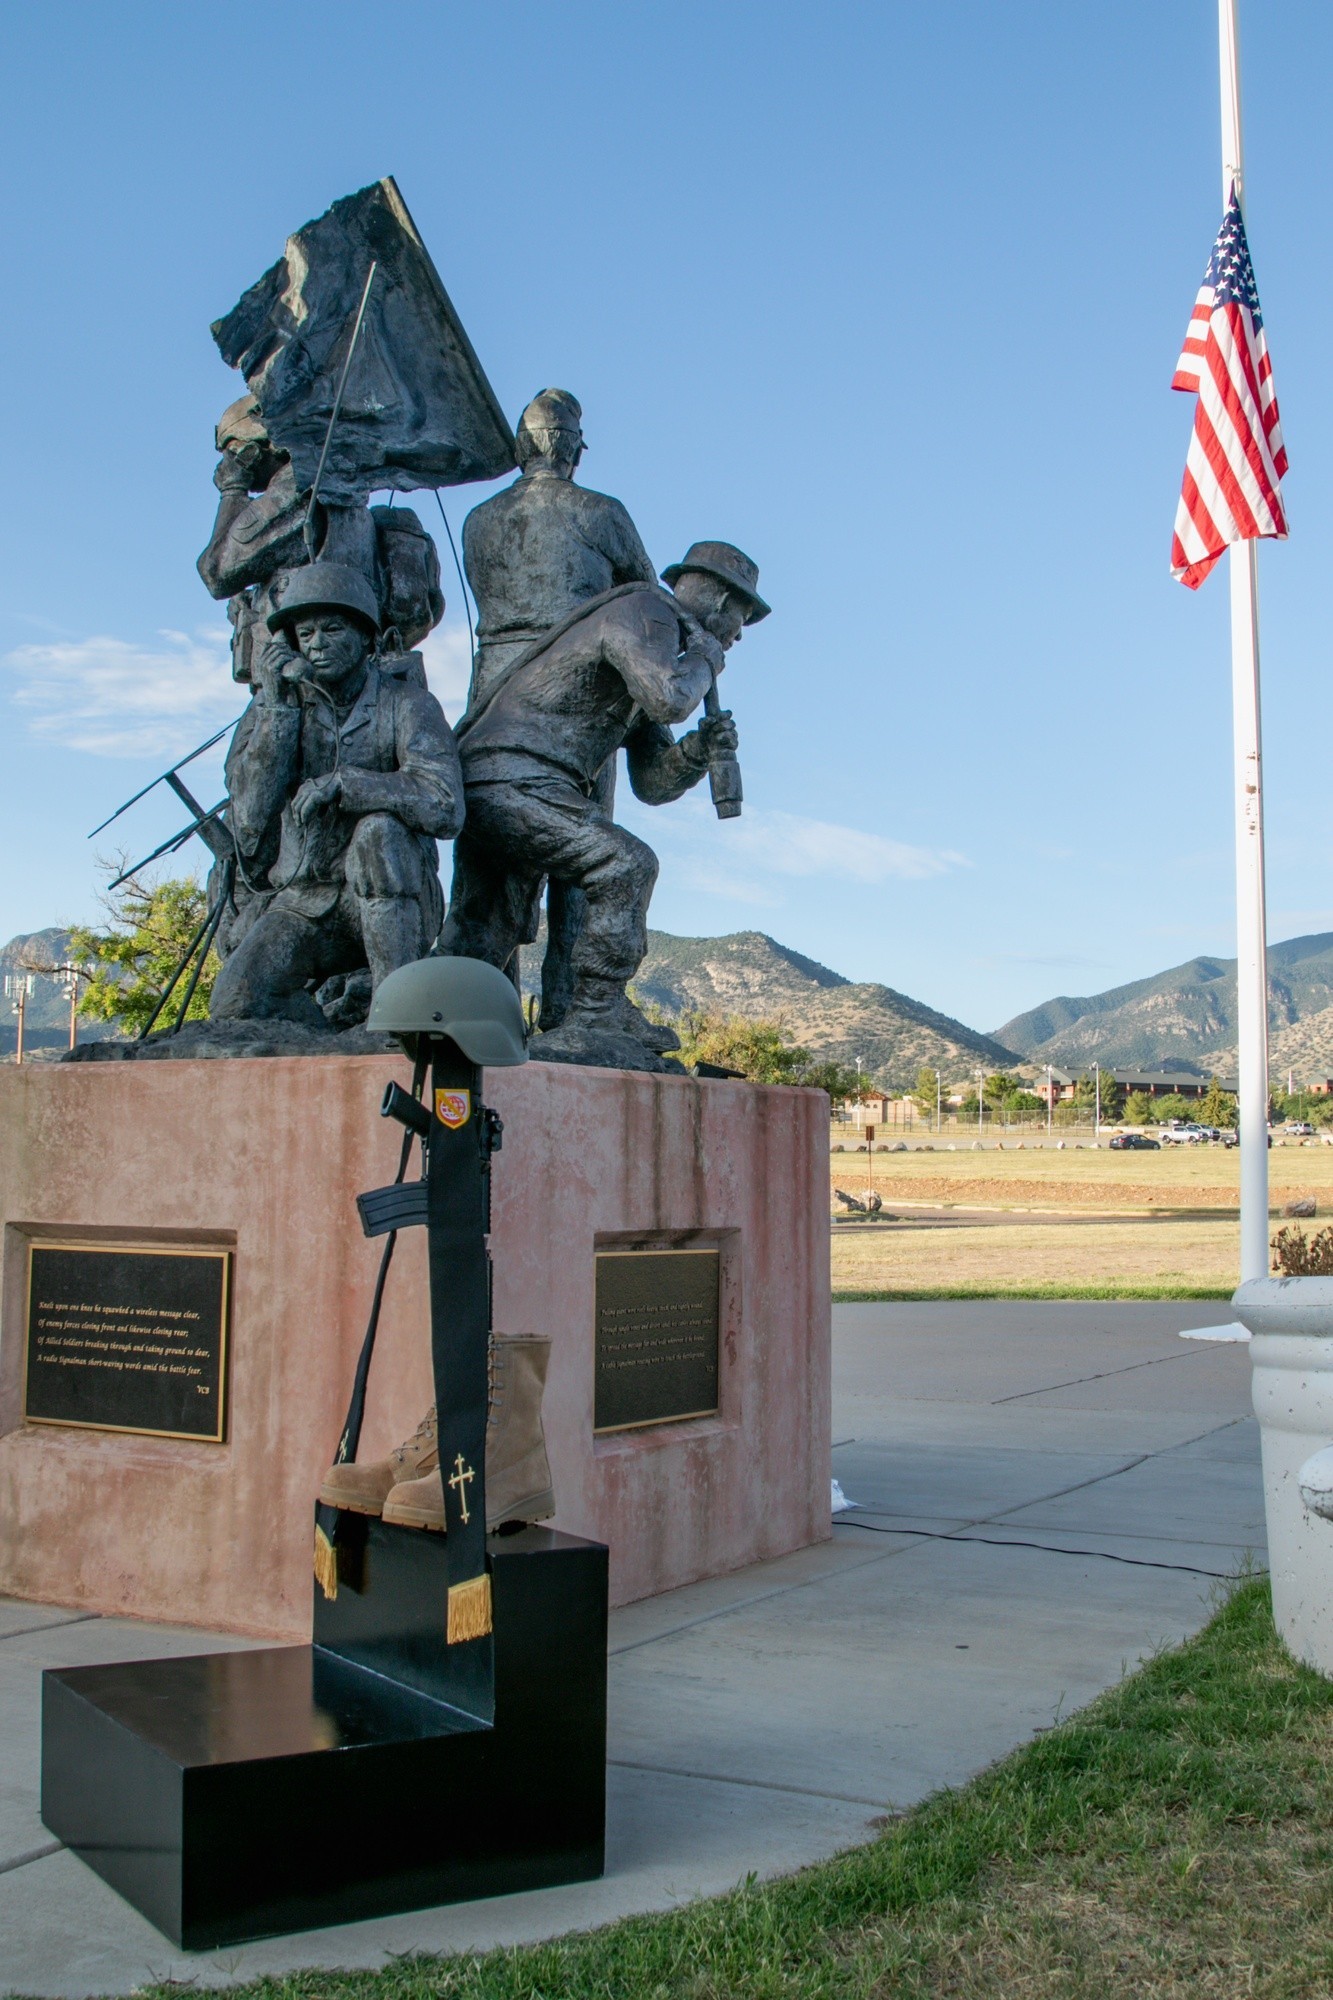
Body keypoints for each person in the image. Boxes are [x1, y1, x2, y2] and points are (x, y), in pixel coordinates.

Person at [441, 542, 768, 1068]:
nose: (738, 634)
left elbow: (652, 783)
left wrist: (696, 752)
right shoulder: (646, 614)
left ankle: (413, 1024)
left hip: (517, 786)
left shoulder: (657, 643)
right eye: (741, 618)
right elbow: (670, 697)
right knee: (627, 865)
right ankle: (595, 1012)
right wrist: (705, 661)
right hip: (511, 776)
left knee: (483, 934)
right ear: (721, 601)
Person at [462, 389, 659, 1029]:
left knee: (490, 870)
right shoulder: (600, 512)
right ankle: (580, 1013)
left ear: (523, 445)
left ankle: (471, 1007)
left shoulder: (477, 519)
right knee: (589, 861)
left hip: (492, 694)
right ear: (573, 446)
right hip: (576, 696)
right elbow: (646, 603)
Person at [209, 563, 463, 1025]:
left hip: (393, 897)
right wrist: (278, 711)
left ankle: (395, 1013)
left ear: (366, 637)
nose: (317, 644)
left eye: (332, 629)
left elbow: (446, 804)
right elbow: (247, 823)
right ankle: (331, 1044)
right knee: (237, 1004)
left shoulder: (407, 705)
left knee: (377, 831)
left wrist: (350, 784)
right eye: (305, 634)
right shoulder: (269, 711)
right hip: (304, 901)